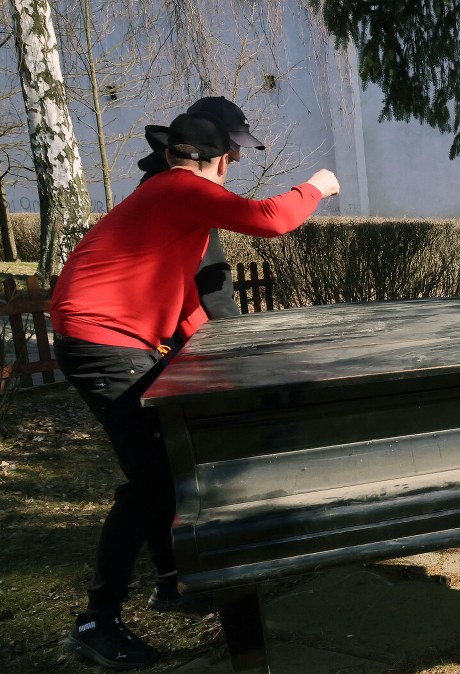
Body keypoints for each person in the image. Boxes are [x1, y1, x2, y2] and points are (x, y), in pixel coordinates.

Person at [52, 110, 340, 670]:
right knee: (153, 476)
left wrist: (226, 359)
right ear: (220, 161)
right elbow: (271, 218)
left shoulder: (167, 196)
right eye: (231, 159)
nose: (231, 168)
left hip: (110, 338)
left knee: (169, 465)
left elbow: (187, 304)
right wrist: (318, 186)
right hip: (102, 341)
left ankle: (170, 586)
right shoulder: (182, 190)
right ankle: (97, 622)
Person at [138, 96, 268, 321]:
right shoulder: (184, 193)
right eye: (232, 147)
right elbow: (210, 287)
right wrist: (232, 333)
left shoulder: (158, 181)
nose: (237, 156)